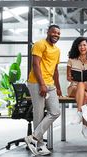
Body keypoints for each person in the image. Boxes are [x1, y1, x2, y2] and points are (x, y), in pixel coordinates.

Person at [25, 24, 62, 156]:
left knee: (55, 112)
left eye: (58, 33)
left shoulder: (57, 50)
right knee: (39, 114)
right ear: (48, 32)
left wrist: (58, 87)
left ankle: (33, 137)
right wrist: (41, 84)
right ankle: (40, 145)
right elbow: (35, 65)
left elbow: (56, 70)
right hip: (36, 83)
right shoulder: (40, 44)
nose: (56, 35)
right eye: (54, 32)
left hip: (50, 84)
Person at [66, 37, 87, 138]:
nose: (82, 47)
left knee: (83, 84)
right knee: (84, 93)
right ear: (77, 47)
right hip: (73, 87)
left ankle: (79, 112)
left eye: (84, 45)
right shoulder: (71, 60)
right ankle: (85, 125)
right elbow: (68, 77)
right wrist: (71, 77)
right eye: (80, 45)